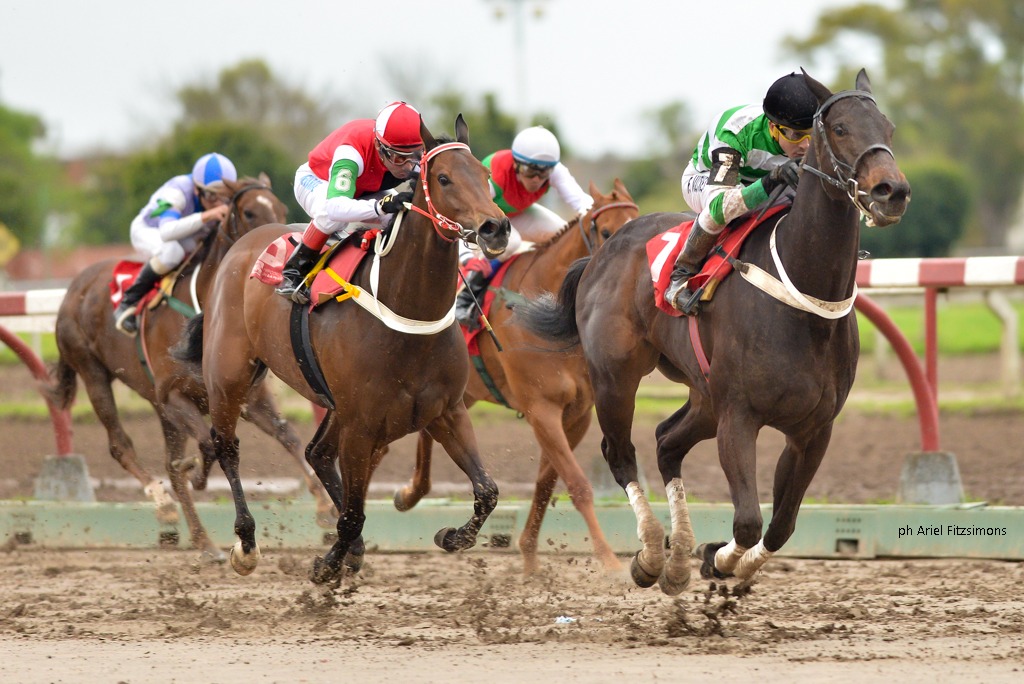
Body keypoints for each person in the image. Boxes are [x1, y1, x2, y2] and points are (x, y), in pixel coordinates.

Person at [664, 72, 819, 314]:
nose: (806, 145)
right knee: (719, 212)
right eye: (797, 136)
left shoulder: (812, 135)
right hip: (707, 180)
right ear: (773, 127)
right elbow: (720, 206)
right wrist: (771, 180)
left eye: (812, 133)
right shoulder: (736, 131)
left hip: (767, 181)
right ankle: (680, 275)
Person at [275, 101, 425, 302]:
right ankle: (294, 272)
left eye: (415, 156)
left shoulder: (412, 155)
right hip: (317, 181)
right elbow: (335, 207)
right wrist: (380, 206)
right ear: (379, 146)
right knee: (331, 217)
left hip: (363, 189)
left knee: (401, 218)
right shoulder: (352, 151)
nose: (408, 167)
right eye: (399, 159)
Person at [456, 125, 593, 330]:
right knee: (511, 242)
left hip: (517, 213)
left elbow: (582, 203)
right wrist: (465, 255)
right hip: (486, 216)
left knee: (563, 232)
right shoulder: (496, 174)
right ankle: (466, 295)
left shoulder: (556, 171)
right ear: (516, 165)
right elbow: (466, 214)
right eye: (530, 171)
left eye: (544, 172)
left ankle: (561, 292)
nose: (537, 179)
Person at [113, 152, 237, 335]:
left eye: (224, 197)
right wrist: (207, 216)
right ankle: (128, 301)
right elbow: (166, 232)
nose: (218, 203)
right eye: (212, 196)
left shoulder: (210, 198)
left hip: (183, 235)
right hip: (149, 230)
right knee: (172, 252)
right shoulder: (178, 190)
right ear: (197, 190)